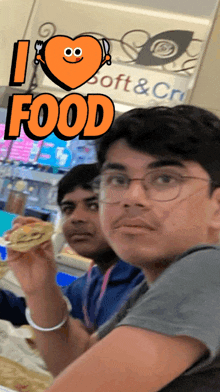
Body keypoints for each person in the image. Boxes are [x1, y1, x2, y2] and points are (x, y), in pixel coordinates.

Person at [6, 105, 220, 391]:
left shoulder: (207, 270)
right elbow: (76, 364)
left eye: (165, 179)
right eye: (117, 180)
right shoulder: (152, 285)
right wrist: (41, 286)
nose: (131, 198)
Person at [1, 163, 145, 330]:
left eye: (94, 206)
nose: (76, 218)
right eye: (68, 209)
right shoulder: (91, 281)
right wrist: (40, 281)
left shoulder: (148, 285)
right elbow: (33, 312)